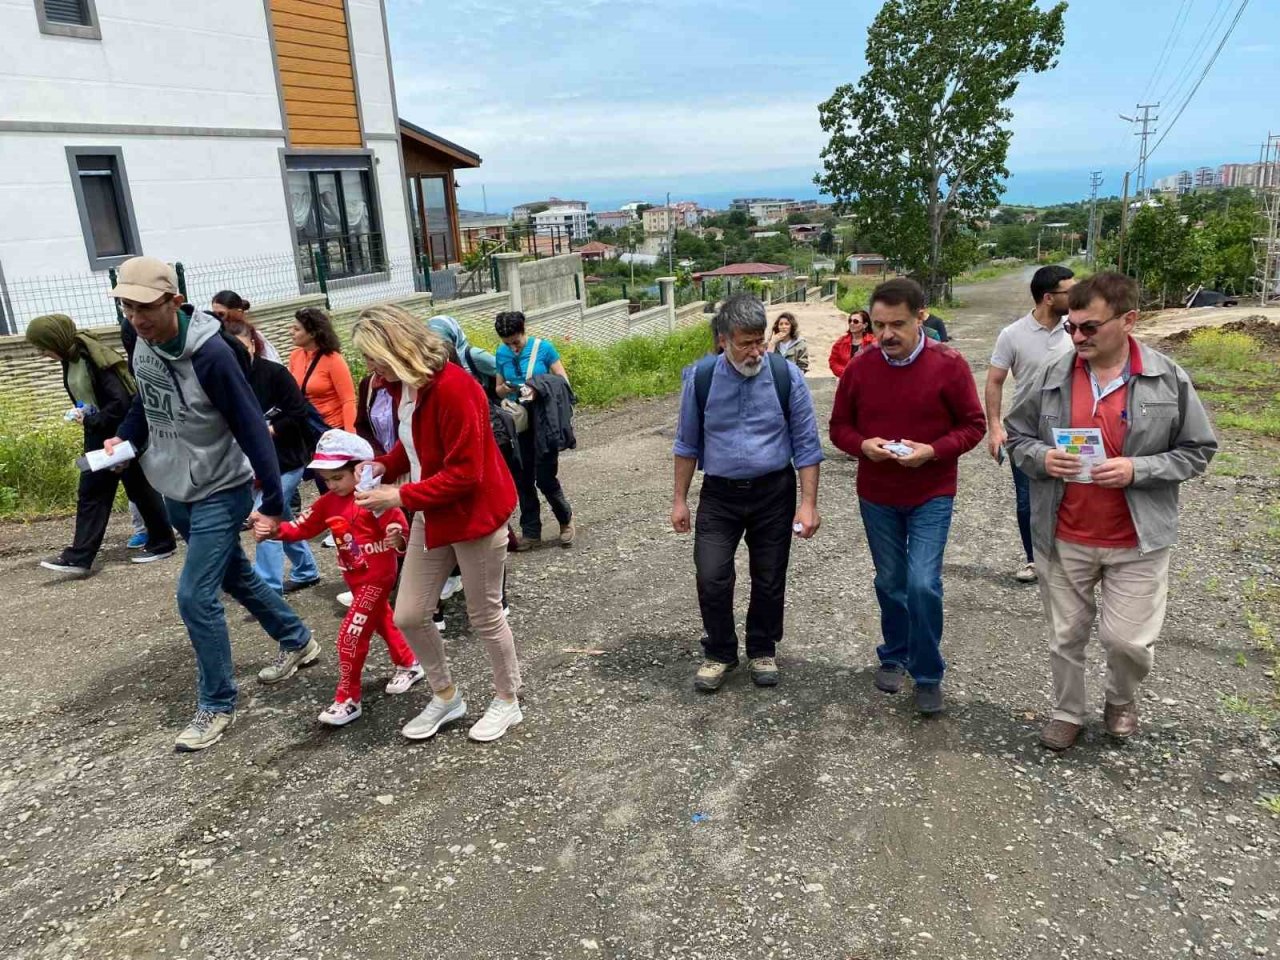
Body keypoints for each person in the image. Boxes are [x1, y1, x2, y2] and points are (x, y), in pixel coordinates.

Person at [104, 256, 316, 753]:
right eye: (128, 307)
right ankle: (299, 638)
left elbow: (251, 428)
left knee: (194, 596)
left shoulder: (212, 355)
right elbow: (145, 401)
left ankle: (217, 703)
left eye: (146, 307)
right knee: (234, 576)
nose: (136, 318)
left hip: (221, 488)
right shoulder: (140, 340)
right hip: (172, 483)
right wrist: (124, 440)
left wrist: (272, 503)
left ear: (174, 302)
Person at [1005, 272, 1217, 751]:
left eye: (1089, 328)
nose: (1077, 337)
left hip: (1137, 540)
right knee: (1066, 636)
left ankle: (1120, 698)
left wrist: (1138, 469)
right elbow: (1015, 437)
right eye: (1071, 328)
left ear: (1128, 321)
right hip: (1064, 533)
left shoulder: (1167, 377)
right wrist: (1042, 458)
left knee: (1128, 643)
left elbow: (1198, 450)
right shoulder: (1048, 376)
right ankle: (1067, 712)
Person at [350, 305, 523, 744]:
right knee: (409, 613)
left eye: (372, 358)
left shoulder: (453, 388)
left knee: (484, 615)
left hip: (474, 516)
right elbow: (415, 452)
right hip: (433, 511)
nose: (369, 369)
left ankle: (508, 701)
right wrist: (381, 464)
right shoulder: (403, 387)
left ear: (397, 349)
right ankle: (447, 696)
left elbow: (466, 474)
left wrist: (398, 495)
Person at [828, 278, 985, 715]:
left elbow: (973, 425)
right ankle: (895, 653)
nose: (885, 335)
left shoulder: (949, 364)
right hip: (877, 493)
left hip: (931, 490)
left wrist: (932, 451)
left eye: (896, 324)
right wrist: (863, 445)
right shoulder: (861, 367)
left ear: (921, 317)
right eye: (878, 325)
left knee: (922, 583)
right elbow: (839, 427)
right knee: (891, 582)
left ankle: (929, 672)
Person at [671, 293, 823, 691]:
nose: (756, 351)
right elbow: (686, 444)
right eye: (746, 343)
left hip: (774, 492)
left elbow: (807, 444)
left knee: (770, 576)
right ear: (723, 339)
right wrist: (679, 500)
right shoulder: (701, 378)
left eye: (761, 341)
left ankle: (762, 647)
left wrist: (808, 504)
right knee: (711, 575)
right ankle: (720, 651)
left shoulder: (786, 376)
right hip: (719, 495)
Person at [254, 430, 424, 726]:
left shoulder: (375, 497)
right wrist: (276, 530)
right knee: (381, 618)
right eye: (326, 479)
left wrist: (396, 537)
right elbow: (301, 528)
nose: (332, 485)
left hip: (378, 575)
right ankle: (409, 662)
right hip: (354, 578)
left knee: (350, 634)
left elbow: (399, 531)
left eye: (338, 477)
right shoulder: (327, 503)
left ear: (360, 469)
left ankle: (348, 698)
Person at [26, 313, 176, 574]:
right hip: (98, 432)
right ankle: (160, 542)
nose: (42, 354)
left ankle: (82, 556)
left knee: (105, 492)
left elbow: (120, 402)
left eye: (42, 347)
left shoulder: (93, 358)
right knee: (125, 489)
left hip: (115, 434)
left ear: (55, 339)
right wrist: (84, 414)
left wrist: (93, 419)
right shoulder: (70, 358)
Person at [984, 265, 1075, 583]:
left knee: (1072, 494)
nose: (1075, 296)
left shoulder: (1076, 330)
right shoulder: (1013, 334)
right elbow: (995, 381)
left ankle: (1069, 559)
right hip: (1025, 431)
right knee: (1027, 499)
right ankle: (1034, 559)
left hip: (1070, 428)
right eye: (1069, 291)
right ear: (1049, 298)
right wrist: (995, 427)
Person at [224, 318, 322, 595]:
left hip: (286, 459)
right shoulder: (228, 380)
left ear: (254, 345)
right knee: (281, 515)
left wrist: (271, 428)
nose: (239, 356)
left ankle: (267, 587)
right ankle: (306, 569)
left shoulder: (275, 374)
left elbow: (298, 412)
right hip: (252, 463)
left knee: (264, 516)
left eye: (243, 348)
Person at [494, 311, 575, 550]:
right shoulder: (501, 354)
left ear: (523, 331)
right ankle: (530, 532)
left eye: (516, 342)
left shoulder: (544, 348)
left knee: (546, 478)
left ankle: (565, 520)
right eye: (507, 344)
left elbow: (563, 383)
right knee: (523, 478)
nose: (513, 348)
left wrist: (538, 388)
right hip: (518, 424)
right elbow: (498, 388)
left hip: (544, 422)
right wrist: (505, 389)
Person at [288, 307, 356, 432]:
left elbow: (348, 400)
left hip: (333, 427)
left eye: (296, 329)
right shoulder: (295, 356)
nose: (290, 332)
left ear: (313, 333)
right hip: (309, 427)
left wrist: (350, 434)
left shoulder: (333, 359)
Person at [211, 291, 281, 362]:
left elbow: (273, 362)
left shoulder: (255, 336)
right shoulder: (214, 338)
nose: (217, 319)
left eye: (221, 314)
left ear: (238, 313)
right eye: (214, 314)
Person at [828, 310, 874, 379]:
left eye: (855, 321)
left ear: (865, 325)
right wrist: (845, 372)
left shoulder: (874, 342)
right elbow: (833, 361)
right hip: (846, 381)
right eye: (850, 321)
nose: (851, 323)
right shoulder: (840, 342)